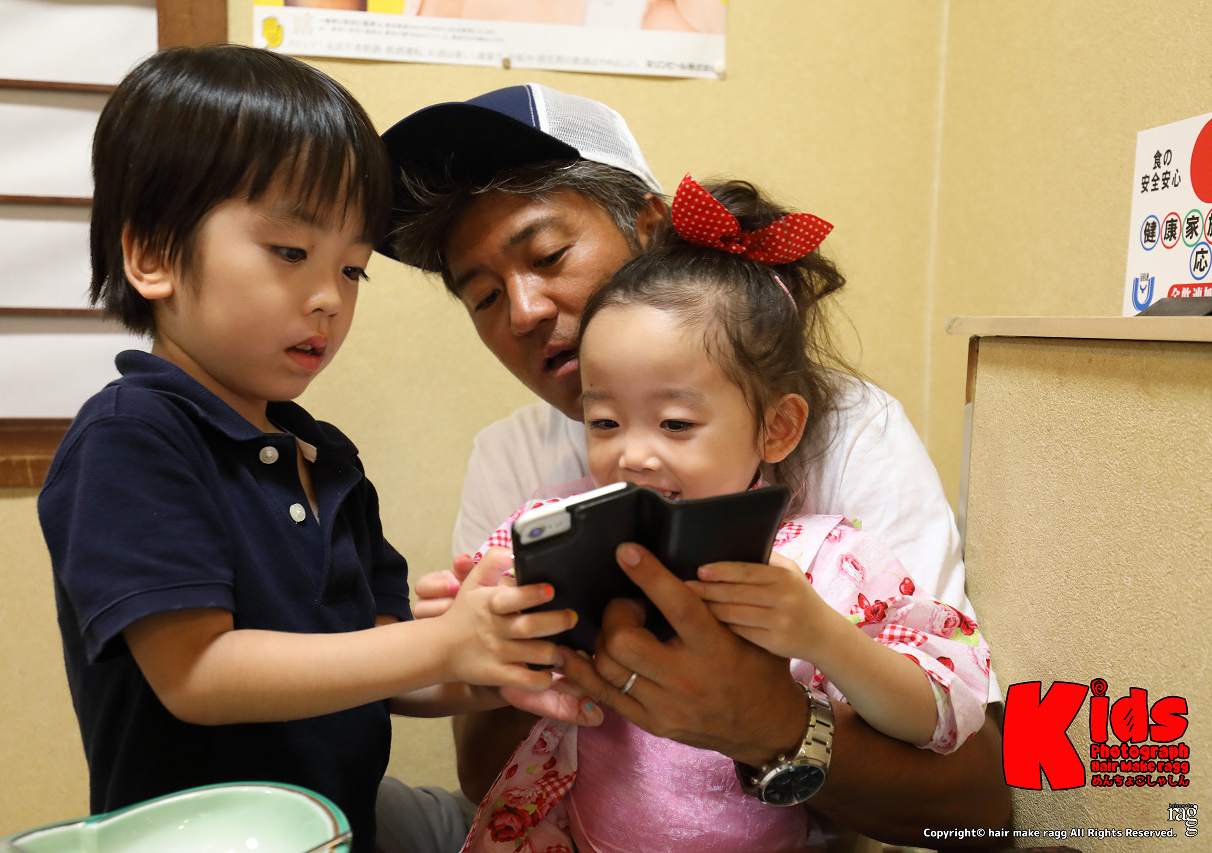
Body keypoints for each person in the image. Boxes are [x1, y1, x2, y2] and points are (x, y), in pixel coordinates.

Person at [378, 82, 1009, 847]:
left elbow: (975, 797)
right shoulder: (525, 476)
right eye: (482, 295)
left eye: (548, 255)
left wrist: (769, 717)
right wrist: (489, 649)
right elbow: (482, 769)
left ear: (650, 226)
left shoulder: (849, 446)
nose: (523, 311)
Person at [36, 46, 591, 853]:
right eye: (291, 253)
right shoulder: (133, 435)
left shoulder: (324, 458)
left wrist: (486, 661)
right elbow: (196, 673)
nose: (329, 298)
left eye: (353, 270)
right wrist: (439, 641)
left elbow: (378, 664)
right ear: (152, 256)